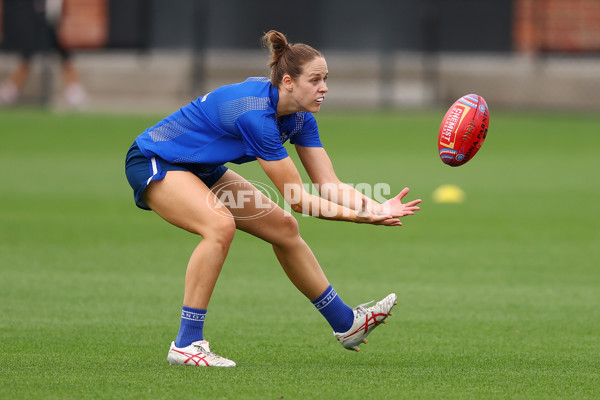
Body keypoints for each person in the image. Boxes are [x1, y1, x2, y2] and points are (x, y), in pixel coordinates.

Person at [125, 30, 422, 367]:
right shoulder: (257, 116)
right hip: (156, 159)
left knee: (283, 227)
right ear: (288, 82)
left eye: (326, 79)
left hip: (201, 167)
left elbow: (328, 184)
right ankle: (186, 343)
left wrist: (375, 206)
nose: (324, 87)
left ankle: (346, 323)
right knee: (219, 226)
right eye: (315, 79)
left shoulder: (300, 118)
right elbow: (297, 197)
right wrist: (360, 217)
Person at [0, 0, 86, 107]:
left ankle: (74, 90)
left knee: (62, 51)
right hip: (38, 18)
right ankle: (11, 89)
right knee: (28, 53)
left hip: (51, 20)